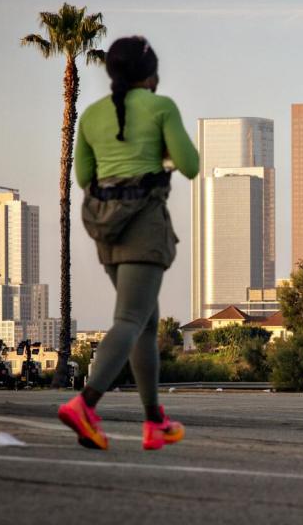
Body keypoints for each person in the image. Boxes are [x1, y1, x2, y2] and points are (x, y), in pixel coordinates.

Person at [57, 36, 199, 451]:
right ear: (150, 74)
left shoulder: (92, 115)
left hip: (105, 226)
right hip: (143, 226)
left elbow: (85, 177)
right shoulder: (161, 107)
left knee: (146, 323)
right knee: (131, 320)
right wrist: (158, 157)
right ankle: (85, 404)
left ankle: (155, 422)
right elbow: (189, 165)